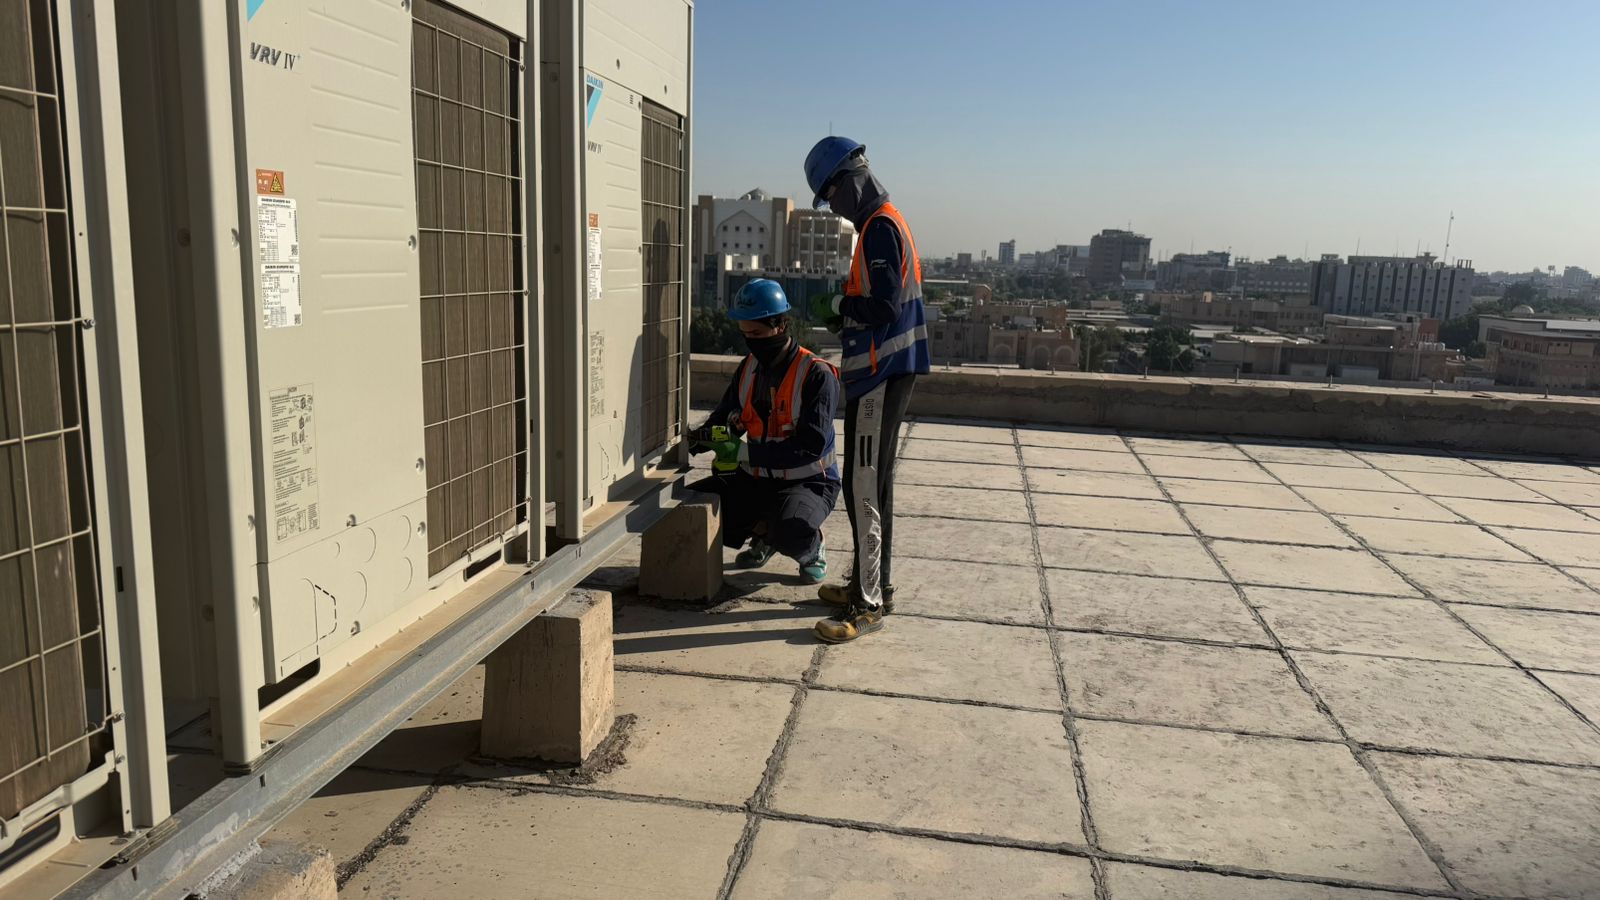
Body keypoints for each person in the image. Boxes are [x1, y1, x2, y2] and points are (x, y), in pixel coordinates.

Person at [803, 137, 929, 643]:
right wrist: (848, 315)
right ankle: (872, 583)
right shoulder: (885, 222)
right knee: (873, 485)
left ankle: (867, 603)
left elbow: (885, 308)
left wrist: (840, 307)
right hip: (887, 369)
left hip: (881, 374)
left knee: (863, 487)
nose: (832, 207)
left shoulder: (879, 228)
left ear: (849, 182)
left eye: (830, 195)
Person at [688, 279, 839, 584]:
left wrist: (743, 451)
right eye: (744, 334)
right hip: (757, 479)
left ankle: (811, 547)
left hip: (808, 481)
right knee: (693, 505)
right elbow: (720, 419)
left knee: (790, 527)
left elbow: (809, 446)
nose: (751, 342)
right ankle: (765, 536)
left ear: (780, 325)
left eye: (756, 334)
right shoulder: (748, 368)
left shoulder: (816, 374)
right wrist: (694, 441)